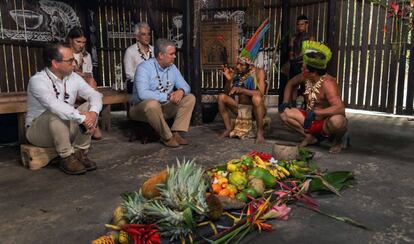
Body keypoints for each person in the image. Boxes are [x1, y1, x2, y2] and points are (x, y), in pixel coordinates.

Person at [25, 43, 103, 174]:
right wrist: (83, 118)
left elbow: (94, 94)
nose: (74, 64)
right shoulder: (37, 81)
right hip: (38, 131)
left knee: (90, 106)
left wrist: (93, 113)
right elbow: (54, 105)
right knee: (56, 113)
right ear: (55, 63)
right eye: (70, 61)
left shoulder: (73, 77)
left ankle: (79, 153)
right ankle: (66, 156)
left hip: (66, 127)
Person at [279, 41, 347, 154]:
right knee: (285, 113)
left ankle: (337, 141)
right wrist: (285, 102)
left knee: (338, 122)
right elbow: (290, 83)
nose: (301, 69)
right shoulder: (305, 76)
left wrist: (317, 113)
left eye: (304, 68)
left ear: (313, 72)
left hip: (325, 122)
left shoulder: (328, 83)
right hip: (309, 120)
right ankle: (310, 137)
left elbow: (340, 108)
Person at [128, 38, 195, 148]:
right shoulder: (144, 68)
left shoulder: (172, 68)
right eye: (171, 54)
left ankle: (176, 133)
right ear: (160, 55)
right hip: (141, 109)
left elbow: (186, 86)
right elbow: (143, 94)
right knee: (152, 104)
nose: (174, 56)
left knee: (190, 98)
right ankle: (167, 137)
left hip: (164, 106)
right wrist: (168, 96)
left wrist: (181, 91)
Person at [217, 18, 269, 144]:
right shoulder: (237, 72)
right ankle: (228, 128)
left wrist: (241, 90)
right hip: (240, 108)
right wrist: (229, 80)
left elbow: (260, 93)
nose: (237, 67)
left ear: (249, 66)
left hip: (255, 109)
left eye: (241, 65)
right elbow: (227, 92)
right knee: (221, 97)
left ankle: (260, 132)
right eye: (237, 64)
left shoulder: (258, 72)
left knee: (256, 98)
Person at [67, 27, 103, 140]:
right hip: (69, 88)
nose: (81, 45)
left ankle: (91, 122)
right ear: (70, 40)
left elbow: (89, 75)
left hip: (83, 88)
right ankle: (94, 125)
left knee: (91, 82)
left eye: (83, 42)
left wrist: (83, 76)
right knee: (91, 86)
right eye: (78, 42)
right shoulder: (65, 55)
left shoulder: (86, 56)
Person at [124, 22, 154, 93]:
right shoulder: (130, 51)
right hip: (136, 83)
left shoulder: (153, 50)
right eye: (143, 34)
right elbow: (129, 74)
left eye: (148, 34)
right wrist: (144, 80)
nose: (147, 37)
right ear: (137, 37)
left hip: (153, 83)